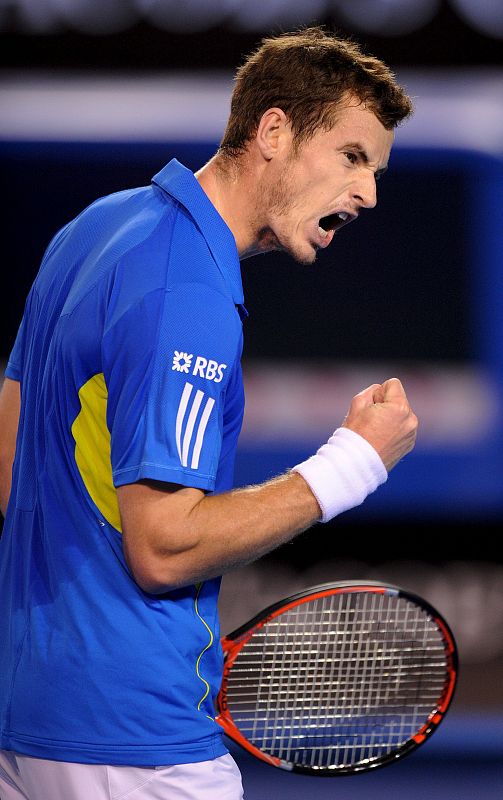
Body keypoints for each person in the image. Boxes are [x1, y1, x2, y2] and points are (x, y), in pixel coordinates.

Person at [0, 25, 417, 800]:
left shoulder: (96, 228)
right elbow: (163, 550)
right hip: (135, 743)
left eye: (376, 169)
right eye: (352, 157)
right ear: (272, 132)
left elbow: (10, 467)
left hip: (28, 722)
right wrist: (350, 464)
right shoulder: (188, 294)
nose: (368, 193)